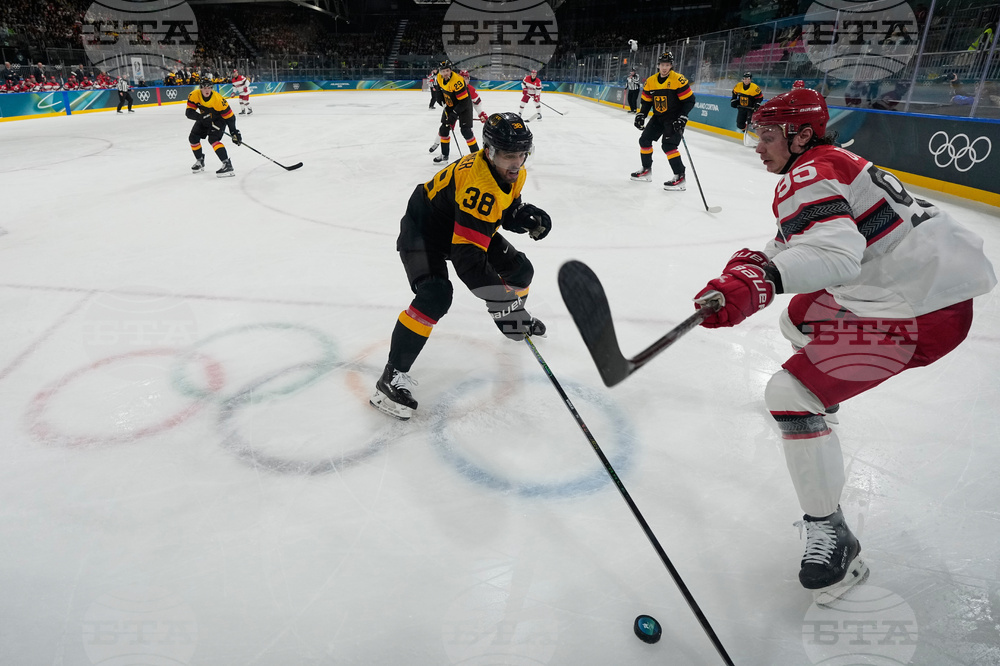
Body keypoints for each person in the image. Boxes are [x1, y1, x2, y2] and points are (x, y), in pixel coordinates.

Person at [691, 88, 996, 603]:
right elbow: (807, 243)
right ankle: (823, 406)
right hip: (927, 286)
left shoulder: (807, 174)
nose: (757, 145)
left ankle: (834, 535)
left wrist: (759, 278)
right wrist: (750, 269)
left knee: (789, 395)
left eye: (767, 135)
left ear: (801, 135)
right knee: (799, 316)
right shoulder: (829, 162)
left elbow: (838, 258)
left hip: (920, 313)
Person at [371, 112, 552, 420]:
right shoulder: (477, 182)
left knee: (521, 271)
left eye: (522, 154)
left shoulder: (511, 172)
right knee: (436, 294)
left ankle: (512, 322)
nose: (516, 163)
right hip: (424, 232)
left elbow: (504, 209)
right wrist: (500, 300)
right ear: (490, 151)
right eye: (509, 155)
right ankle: (390, 378)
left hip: (460, 224)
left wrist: (525, 215)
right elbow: (467, 260)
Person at [630, 51, 695, 191]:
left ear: (671, 66)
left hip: (674, 118)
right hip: (658, 117)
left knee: (669, 146)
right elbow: (646, 101)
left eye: (667, 65)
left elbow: (689, 101)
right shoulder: (651, 81)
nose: (664, 67)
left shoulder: (678, 79)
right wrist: (641, 114)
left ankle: (680, 176)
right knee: (644, 140)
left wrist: (683, 117)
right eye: (662, 65)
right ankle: (646, 170)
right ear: (658, 65)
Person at [185, 78, 242, 177]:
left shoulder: (218, 99)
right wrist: (201, 117)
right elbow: (189, 113)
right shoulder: (194, 95)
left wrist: (233, 132)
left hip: (218, 120)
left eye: (209, 87)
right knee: (193, 138)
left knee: (213, 139)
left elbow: (230, 117)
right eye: (204, 88)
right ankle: (200, 161)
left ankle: (227, 164)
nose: (207, 90)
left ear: (212, 88)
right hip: (204, 118)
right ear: (200, 88)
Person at [429, 70, 489, 155]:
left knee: (466, 131)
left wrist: (481, 114)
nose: (464, 80)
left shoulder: (471, 90)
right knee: (445, 127)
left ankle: (475, 154)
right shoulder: (453, 85)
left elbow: (477, 103)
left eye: (466, 78)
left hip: (464, 112)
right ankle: (436, 143)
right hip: (453, 110)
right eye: (462, 78)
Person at [432, 60, 480, 164]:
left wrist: (454, 113)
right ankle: (444, 155)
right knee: (444, 129)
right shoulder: (439, 77)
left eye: (447, 71)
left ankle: (476, 156)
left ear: (451, 71)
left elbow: (463, 102)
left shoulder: (457, 81)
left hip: (464, 106)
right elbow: (439, 89)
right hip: (450, 104)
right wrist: (439, 98)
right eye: (443, 71)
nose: (445, 73)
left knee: (466, 131)